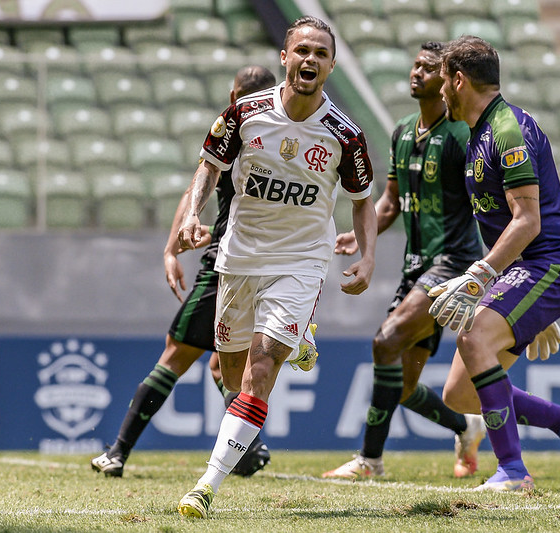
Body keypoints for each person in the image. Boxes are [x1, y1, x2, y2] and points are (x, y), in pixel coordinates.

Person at [175, 16, 377, 518]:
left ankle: (207, 484)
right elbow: (209, 166)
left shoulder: (344, 135)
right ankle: (301, 329)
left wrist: (369, 256)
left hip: (301, 259)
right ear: (284, 58)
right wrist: (192, 214)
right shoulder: (244, 114)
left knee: (261, 371)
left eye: (320, 53)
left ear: (331, 65)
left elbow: (362, 201)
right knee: (228, 369)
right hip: (239, 256)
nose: (310, 59)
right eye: (302, 50)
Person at [90, 65, 302, 479]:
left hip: (226, 268)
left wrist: (172, 248)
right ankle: (248, 449)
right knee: (223, 367)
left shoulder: (236, 129)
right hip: (275, 266)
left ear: (233, 95)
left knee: (175, 354)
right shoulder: (284, 136)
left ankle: (117, 451)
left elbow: (197, 187)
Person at [429, 35, 560, 492]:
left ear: (458, 80)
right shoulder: (480, 135)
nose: (439, 90)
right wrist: (522, 306)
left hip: (549, 267)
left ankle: (513, 471)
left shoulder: (508, 131)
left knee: (472, 336)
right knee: (460, 394)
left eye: (443, 80)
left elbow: (527, 221)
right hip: (525, 274)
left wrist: (479, 276)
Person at [322, 42, 487, 480]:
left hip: (453, 263)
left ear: (446, 79)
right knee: (406, 385)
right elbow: (391, 202)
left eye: (428, 68)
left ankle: (369, 461)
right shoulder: (400, 131)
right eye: (414, 64)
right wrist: (361, 234)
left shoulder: (458, 137)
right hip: (416, 266)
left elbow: (487, 202)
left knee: (385, 341)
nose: (416, 72)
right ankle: (464, 425)